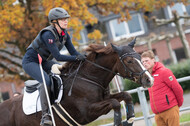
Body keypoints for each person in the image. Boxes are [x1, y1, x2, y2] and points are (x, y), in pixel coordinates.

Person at [22, 7, 86, 126]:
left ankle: (61, 103)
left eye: (66, 19)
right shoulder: (48, 34)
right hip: (30, 62)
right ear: (54, 22)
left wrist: (85, 58)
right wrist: (76, 58)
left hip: (44, 61)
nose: (66, 21)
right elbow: (58, 57)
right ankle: (45, 115)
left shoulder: (64, 34)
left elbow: (74, 53)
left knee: (65, 72)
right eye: (62, 19)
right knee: (46, 81)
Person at [141, 50, 183, 126]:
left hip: (170, 110)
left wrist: (178, 105)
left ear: (153, 60)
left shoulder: (164, 72)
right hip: (158, 114)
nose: (144, 63)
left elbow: (178, 89)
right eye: (143, 62)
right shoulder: (148, 76)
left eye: (146, 60)